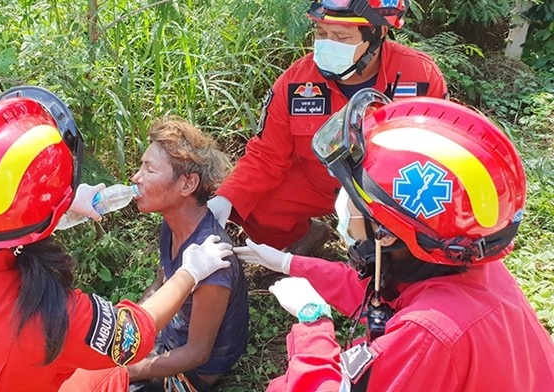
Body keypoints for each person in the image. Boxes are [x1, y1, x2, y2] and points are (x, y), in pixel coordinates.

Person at [0, 87, 234, 391]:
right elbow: (129, 334)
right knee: (105, 378)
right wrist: (190, 272)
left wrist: (56, 211)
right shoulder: (45, 317)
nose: (136, 177)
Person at [234, 89, 554, 390]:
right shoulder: (459, 264)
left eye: (353, 196)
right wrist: (290, 263)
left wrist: (312, 322)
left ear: (385, 234)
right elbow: (377, 286)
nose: (341, 202)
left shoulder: (427, 334)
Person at [208, 0, 448, 255]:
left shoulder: (420, 76)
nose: (328, 44)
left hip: (387, 188)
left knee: (402, 243)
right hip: (315, 183)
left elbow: (436, 158)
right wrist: (225, 200)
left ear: (378, 33)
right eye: (321, 33)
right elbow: (266, 154)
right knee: (254, 206)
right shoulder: (296, 82)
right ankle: (304, 236)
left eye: (341, 37)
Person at [124, 118, 249, 391]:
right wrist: (134, 328)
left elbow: (197, 353)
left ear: (187, 184)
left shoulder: (215, 260)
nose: (136, 177)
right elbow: (164, 282)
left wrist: (129, 372)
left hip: (192, 372)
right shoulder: (171, 224)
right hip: (168, 340)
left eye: (149, 169)